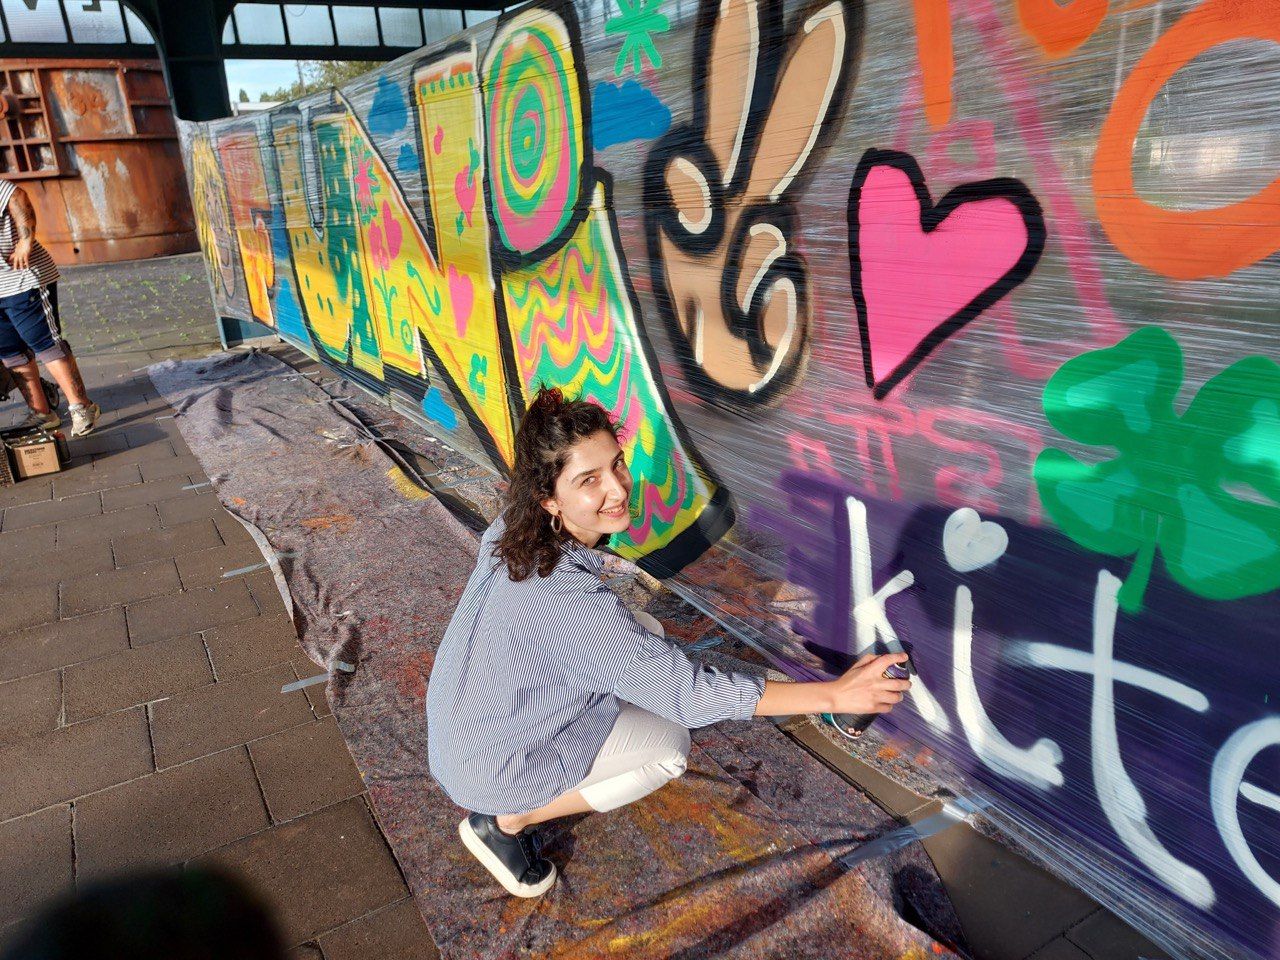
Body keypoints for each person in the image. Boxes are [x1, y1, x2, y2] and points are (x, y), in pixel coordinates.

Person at [426, 387, 911, 897]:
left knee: (646, 637)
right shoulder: (570, 604)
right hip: (491, 768)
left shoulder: (512, 530)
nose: (617, 489)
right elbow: (688, 695)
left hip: (462, 729)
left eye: (616, 464)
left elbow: (599, 642)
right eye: (589, 481)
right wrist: (833, 696)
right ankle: (503, 822)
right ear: (550, 499)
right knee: (669, 746)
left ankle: (515, 797)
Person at [0, 178, 99, 436]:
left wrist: (25, 241)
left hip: (21, 278)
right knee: (10, 351)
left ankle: (82, 407)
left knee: (44, 342)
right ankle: (43, 414)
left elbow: (16, 195)